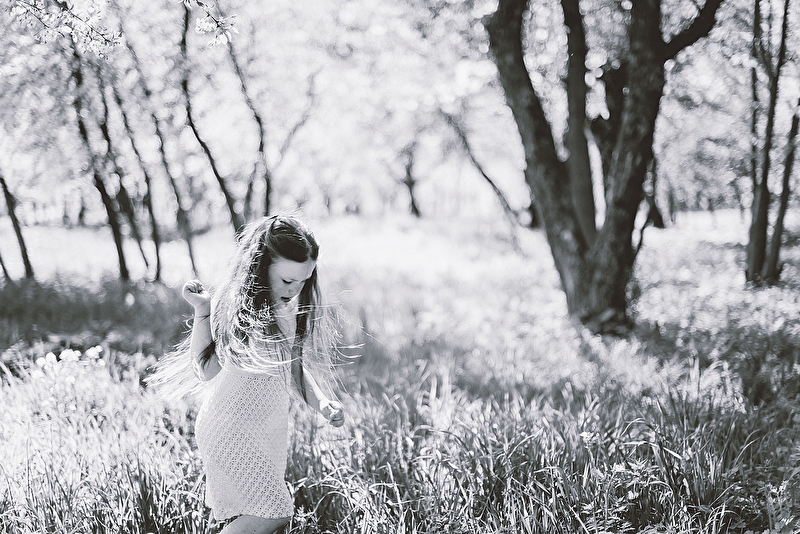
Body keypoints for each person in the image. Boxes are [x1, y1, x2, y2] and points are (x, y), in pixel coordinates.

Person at [149, 214, 344, 534]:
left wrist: (322, 403)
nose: (295, 289)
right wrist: (203, 311)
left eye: (303, 281)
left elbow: (294, 371)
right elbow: (206, 369)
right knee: (274, 512)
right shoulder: (238, 308)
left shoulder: (290, 311)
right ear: (262, 266)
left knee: (260, 514)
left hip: (264, 432)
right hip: (230, 429)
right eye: (287, 280)